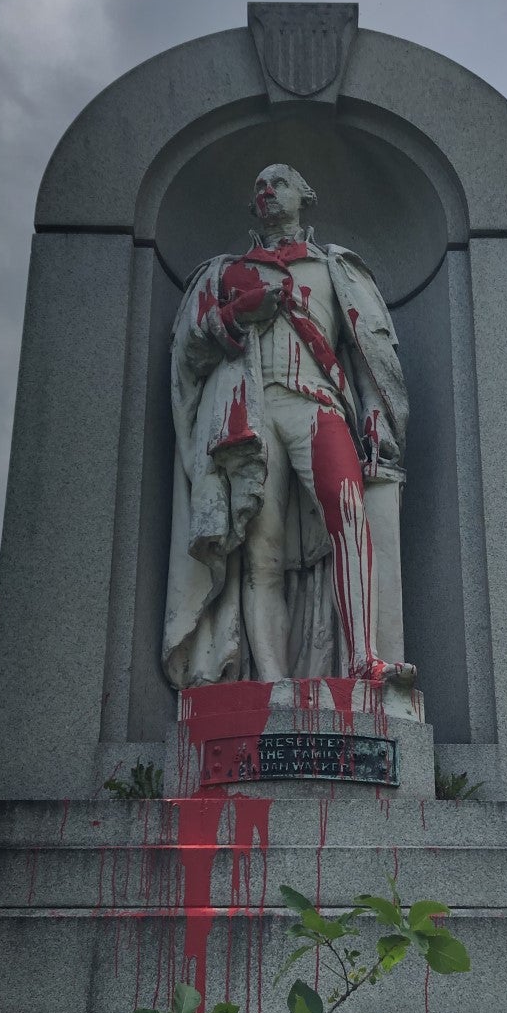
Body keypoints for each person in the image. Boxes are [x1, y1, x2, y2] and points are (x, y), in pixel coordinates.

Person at [162, 163, 414, 689]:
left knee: (350, 513)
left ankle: (365, 658)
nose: (267, 192)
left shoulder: (333, 267)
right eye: (258, 186)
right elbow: (187, 350)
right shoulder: (226, 272)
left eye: (278, 182)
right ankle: (272, 683)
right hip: (248, 414)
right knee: (261, 552)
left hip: (317, 403)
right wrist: (237, 315)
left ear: (305, 193)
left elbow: (368, 349)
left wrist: (372, 408)